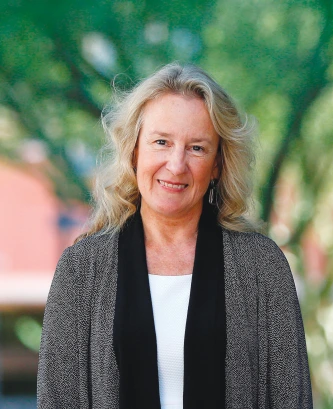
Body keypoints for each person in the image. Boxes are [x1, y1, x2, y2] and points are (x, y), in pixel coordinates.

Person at [37, 63, 313, 409]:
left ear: (217, 164)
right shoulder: (81, 270)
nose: (176, 164)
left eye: (197, 147)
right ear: (134, 150)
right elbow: (57, 401)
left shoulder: (262, 267)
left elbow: (292, 399)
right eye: (161, 142)